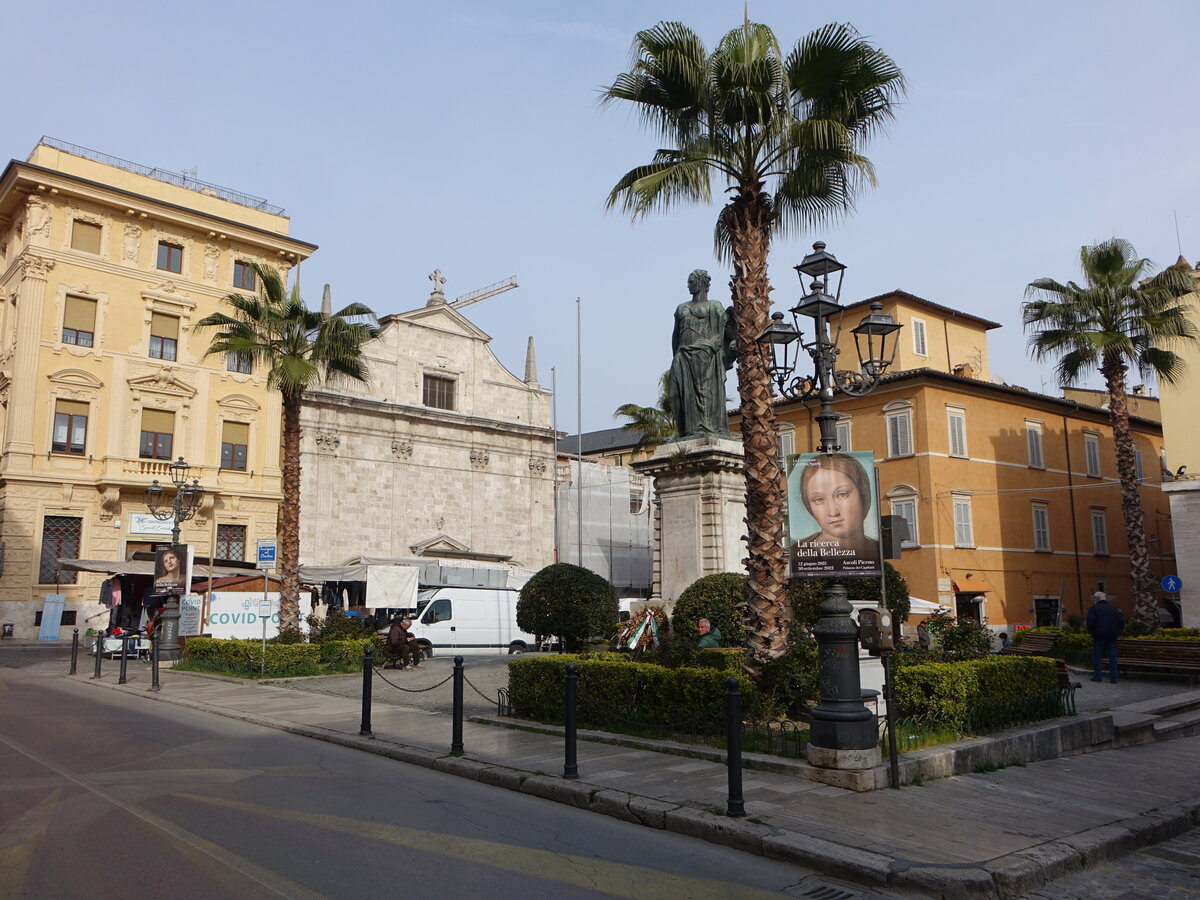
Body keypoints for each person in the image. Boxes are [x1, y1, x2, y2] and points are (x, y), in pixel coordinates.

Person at [668, 269, 735, 439]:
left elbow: (719, 336)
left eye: (691, 282)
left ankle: (704, 428)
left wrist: (707, 348)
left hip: (705, 355)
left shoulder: (714, 306)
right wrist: (677, 355)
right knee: (675, 393)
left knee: (704, 392)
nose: (688, 285)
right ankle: (682, 430)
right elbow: (676, 335)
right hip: (682, 355)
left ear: (702, 283)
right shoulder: (681, 308)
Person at [794, 453, 880, 563]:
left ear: (863, 495)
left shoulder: (878, 551)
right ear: (809, 506)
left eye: (842, 494)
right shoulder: (797, 556)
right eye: (819, 499)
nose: (833, 512)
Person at [1086, 590, 1123, 683]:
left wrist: (1092, 632)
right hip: (1112, 636)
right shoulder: (1113, 609)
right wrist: (1116, 632)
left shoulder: (1093, 609)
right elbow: (1121, 622)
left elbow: (1090, 622)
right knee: (1112, 656)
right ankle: (1114, 677)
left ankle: (1098, 676)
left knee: (1097, 656)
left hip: (1099, 636)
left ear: (1096, 599)